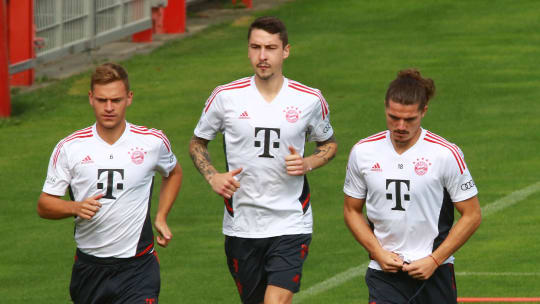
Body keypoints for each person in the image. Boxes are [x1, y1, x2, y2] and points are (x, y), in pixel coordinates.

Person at [189, 16, 337, 304]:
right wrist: (212, 176)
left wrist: (308, 163)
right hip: (241, 224)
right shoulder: (225, 97)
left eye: (270, 47)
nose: (262, 56)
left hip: (291, 222)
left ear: (286, 51)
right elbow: (197, 142)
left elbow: (328, 144)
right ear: (248, 50)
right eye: (256, 47)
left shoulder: (309, 99)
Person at [37, 63, 182, 304]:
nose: (109, 107)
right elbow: (44, 205)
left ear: (129, 98)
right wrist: (75, 207)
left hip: (138, 267)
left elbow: (174, 173)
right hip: (90, 268)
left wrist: (161, 217)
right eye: (102, 100)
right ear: (91, 98)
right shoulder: (70, 148)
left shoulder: (152, 142)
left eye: (116, 100)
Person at [343, 69, 481, 303]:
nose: (400, 126)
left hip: (435, 273)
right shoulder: (363, 152)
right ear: (385, 107)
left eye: (409, 119)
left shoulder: (445, 154)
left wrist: (435, 260)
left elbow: (472, 214)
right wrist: (378, 253)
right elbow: (351, 210)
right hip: (384, 274)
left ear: (423, 112)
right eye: (393, 117)